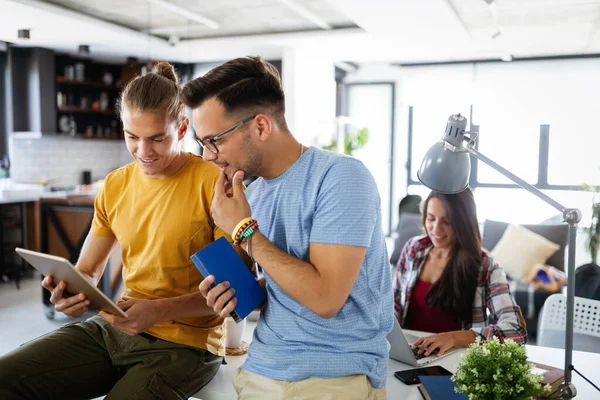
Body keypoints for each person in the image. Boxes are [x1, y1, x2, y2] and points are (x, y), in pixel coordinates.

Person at [0, 62, 232, 399]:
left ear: (182, 129)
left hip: (186, 346)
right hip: (113, 329)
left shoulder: (211, 185)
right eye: (131, 137)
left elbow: (230, 295)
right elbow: (89, 269)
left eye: (156, 138)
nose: (142, 151)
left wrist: (159, 311)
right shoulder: (115, 184)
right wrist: (72, 292)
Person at [181, 56, 393, 399]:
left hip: (335, 375)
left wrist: (244, 231)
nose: (207, 156)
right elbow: (286, 286)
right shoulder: (254, 195)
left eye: (213, 140)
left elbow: (325, 299)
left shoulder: (342, 177)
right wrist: (240, 293)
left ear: (261, 127)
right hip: (260, 367)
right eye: (202, 143)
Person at [393, 189, 527, 358]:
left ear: (463, 222)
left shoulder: (485, 266)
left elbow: (516, 331)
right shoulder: (414, 249)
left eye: (447, 221)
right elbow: (395, 302)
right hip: (411, 353)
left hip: (455, 360)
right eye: (431, 218)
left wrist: (453, 337)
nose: (436, 229)